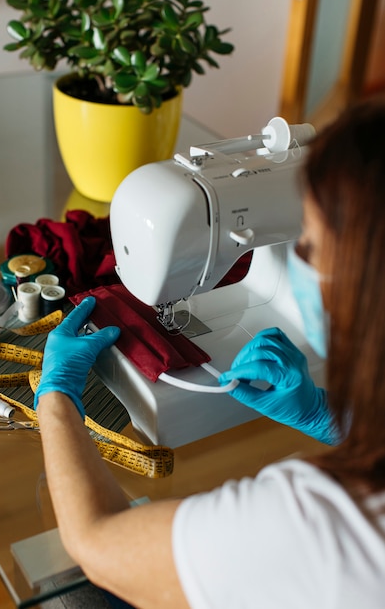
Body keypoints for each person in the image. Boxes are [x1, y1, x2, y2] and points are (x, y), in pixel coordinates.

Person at [35, 99, 385, 609]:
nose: (301, 251)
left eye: (308, 245)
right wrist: (332, 416)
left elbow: (96, 541)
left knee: (68, 593)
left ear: (358, 287)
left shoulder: (316, 523)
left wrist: (57, 396)